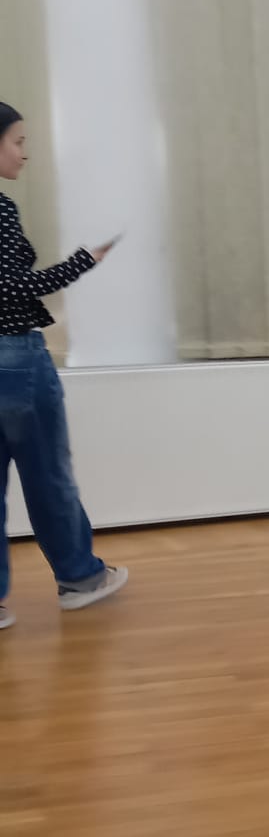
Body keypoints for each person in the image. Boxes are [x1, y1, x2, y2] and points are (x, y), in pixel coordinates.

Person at [0, 103, 127, 632]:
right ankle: (81, 579)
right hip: (14, 362)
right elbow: (11, 287)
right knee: (48, 475)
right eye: (17, 141)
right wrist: (82, 262)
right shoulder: (1, 209)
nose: (24, 153)